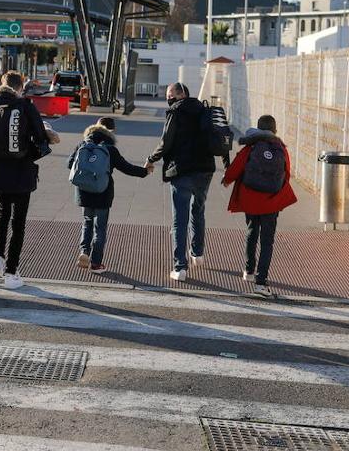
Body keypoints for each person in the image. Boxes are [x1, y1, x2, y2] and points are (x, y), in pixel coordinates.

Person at [0, 71, 59, 289]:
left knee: (3, 214)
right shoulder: (25, 106)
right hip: (21, 171)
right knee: (18, 222)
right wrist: (47, 132)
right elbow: (40, 137)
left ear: (2, 85)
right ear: (20, 87)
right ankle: (11, 273)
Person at [145, 82, 216, 282]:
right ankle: (198, 254)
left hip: (182, 170)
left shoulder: (175, 112)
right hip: (205, 170)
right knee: (198, 211)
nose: (168, 99)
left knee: (180, 220)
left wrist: (151, 159)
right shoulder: (204, 110)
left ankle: (180, 267)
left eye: (170, 95)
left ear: (181, 94)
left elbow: (165, 142)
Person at [221, 114, 297, 297]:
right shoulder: (281, 148)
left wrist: (227, 179)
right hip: (271, 201)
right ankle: (261, 283)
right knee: (267, 241)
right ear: (274, 130)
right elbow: (287, 173)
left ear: (258, 127)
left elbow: (237, 165)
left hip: (251, 198)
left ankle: (248, 271)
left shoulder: (252, 145)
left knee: (251, 231)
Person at [67, 117, 149, 274]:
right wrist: (145, 171)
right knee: (100, 228)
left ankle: (84, 252)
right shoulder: (110, 149)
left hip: (84, 191)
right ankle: (96, 264)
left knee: (87, 223)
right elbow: (127, 168)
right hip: (102, 192)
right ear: (111, 131)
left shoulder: (82, 145)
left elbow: (70, 164)